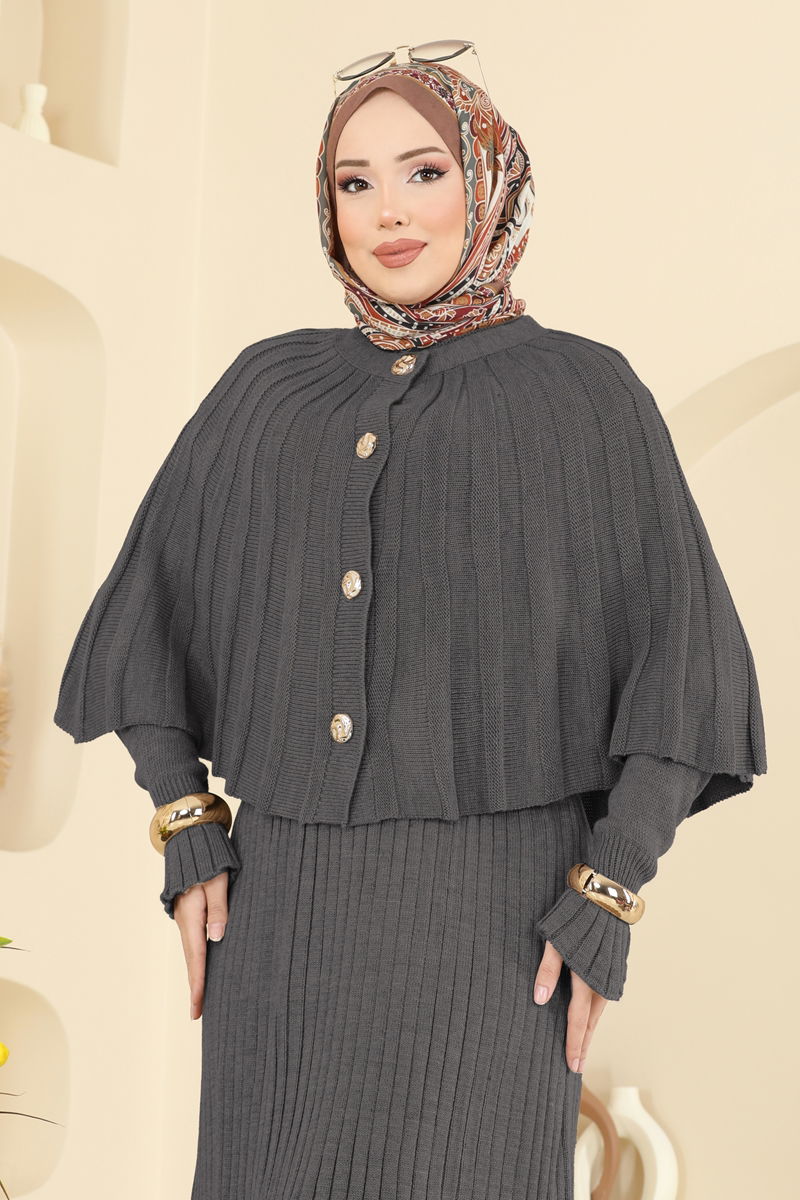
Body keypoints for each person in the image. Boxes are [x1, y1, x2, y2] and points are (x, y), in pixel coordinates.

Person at [53, 50, 767, 1200]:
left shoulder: (585, 398)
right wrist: (184, 819)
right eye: (354, 182)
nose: (386, 211)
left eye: (423, 171)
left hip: (498, 927)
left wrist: (611, 882)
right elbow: (146, 616)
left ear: (486, 181)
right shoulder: (267, 391)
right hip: (281, 923)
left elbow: (686, 669)